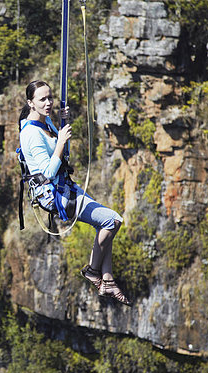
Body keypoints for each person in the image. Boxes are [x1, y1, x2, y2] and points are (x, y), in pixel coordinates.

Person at [18, 80, 131, 306]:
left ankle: (107, 278)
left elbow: (59, 152)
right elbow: (48, 172)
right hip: (55, 195)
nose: (49, 102)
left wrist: (62, 121)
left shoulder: (44, 121)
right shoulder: (31, 134)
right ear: (31, 103)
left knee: (107, 224)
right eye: (42, 99)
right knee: (112, 221)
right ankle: (92, 270)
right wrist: (60, 141)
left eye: (50, 97)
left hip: (65, 188)